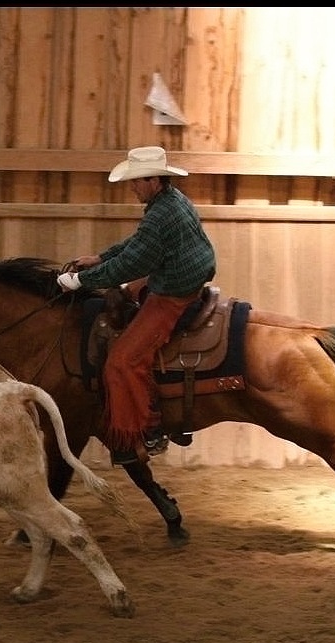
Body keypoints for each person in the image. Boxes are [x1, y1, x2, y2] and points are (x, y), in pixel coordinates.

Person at [56, 145, 217, 466]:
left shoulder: (160, 214)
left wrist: (82, 281)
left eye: (137, 181)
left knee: (121, 361)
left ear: (155, 180)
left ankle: (151, 430)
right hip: (182, 274)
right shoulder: (171, 201)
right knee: (125, 300)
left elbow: (131, 263)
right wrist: (100, 257)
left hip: (174, 291)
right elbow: (137, 242)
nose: (133, 187)